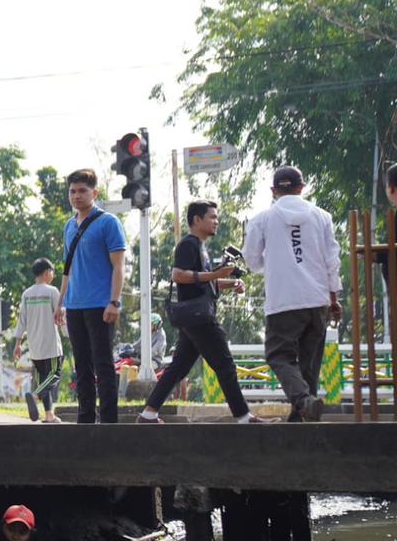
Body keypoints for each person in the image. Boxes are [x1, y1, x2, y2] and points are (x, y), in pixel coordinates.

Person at [139, 201, 262, 424]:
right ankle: (244, 417)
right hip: (199, 319)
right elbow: (178, 275)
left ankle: (148, 413)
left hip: (193, 318)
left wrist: (229, 283)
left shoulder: (200, 246)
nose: (216, 222)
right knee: (225, 365)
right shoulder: (188, 244)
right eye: (212, 217)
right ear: (197, 220)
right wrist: (215, 275)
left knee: (178, 369)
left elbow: (201, 282)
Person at [241, 167, 342, 422]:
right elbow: (332, 262)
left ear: (274, 191)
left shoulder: (262, 219)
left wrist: (274, 261)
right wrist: (334, 299)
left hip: (283, 301)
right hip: (318, 300)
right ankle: (302, 418)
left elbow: (251, 260)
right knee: (309, 363)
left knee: (279, 355)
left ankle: (303, 402)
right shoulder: (322, 217)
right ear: (301, 188)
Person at [54, 169, 126, 423]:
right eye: (72, 191)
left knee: (103, 363)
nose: (76, 196)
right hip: (74, 305)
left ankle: (108, 421)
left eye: (82, 191)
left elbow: (119, 266)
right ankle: (85, 418)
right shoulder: (69, 226)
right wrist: (60, 302)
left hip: (101, 305)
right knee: (81, 365)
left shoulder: (108, 223)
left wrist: (114, 302)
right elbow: (67, 267)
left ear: (95, 193)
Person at [13, 258, 64, 423]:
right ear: (47, 272)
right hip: (51, 344)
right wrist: (69, 334)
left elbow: (22, 321)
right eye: (52, 272)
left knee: (44, 378)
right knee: (54, 375)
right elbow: (61, 316)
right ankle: (35, 395)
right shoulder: (52, 291)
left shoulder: (26, 294)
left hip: (35, 346)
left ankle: (49, 414)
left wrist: (18, 344)